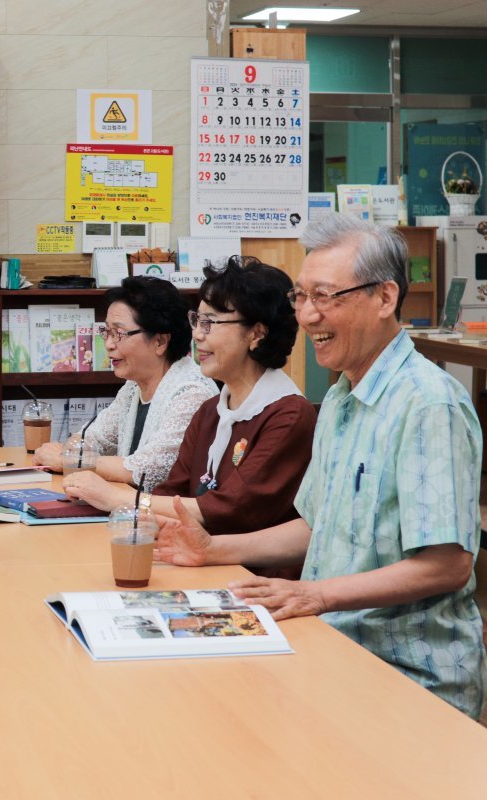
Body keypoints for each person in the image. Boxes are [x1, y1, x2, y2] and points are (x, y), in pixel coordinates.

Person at [156, 214, 486, 718]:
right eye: (301, 297)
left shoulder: (427, 405)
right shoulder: (338, 398)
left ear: (384, 298)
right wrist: (212, 549)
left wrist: (317, 594)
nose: (308, 316)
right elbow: (316, 525)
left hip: (408, 676)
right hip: (331, 647)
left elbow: (447, 564)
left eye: (326, 297)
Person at [64, 257, 316, 538]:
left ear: (256, 333)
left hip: (250, 575)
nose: (197, 334)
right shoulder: (211, 410)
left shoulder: (289, 414)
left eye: (210, 323)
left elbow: (228, 510)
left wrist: (118, 499)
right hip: (195, 559)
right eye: (197, 320)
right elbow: (173, 491)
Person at [34, 275, 217, 489]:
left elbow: (147, 469)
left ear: (160, 341)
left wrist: (69, 461)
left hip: (169, 516)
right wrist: (71, 454)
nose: (109, 344)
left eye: (118, 333)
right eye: (106, 332)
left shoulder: (192, 392)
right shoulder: (133, 387)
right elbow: (91, 439)